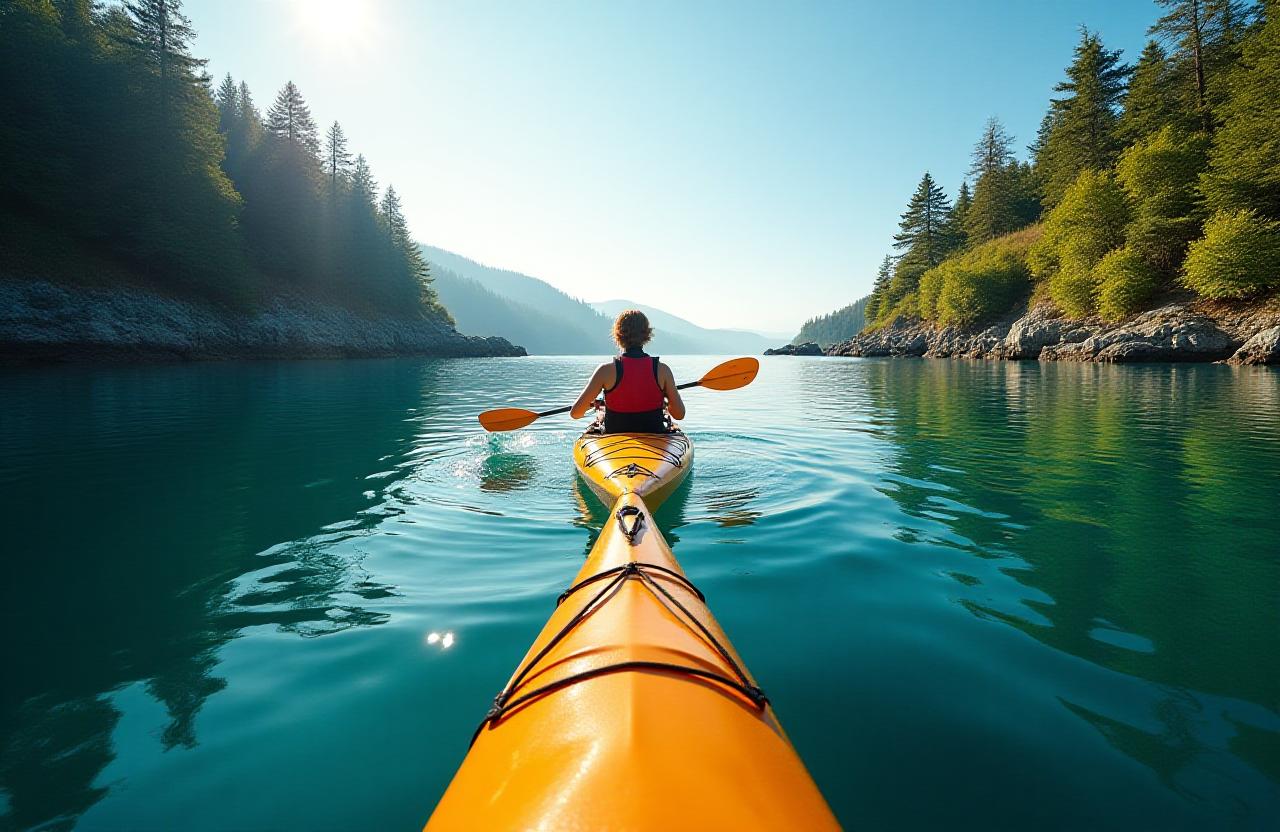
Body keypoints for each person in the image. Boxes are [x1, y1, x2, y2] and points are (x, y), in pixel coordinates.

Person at [570, 310, 686, 433]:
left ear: (618, 334)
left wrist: (592, 404)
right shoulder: (663, 370)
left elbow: (575, 413)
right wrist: (664, 400)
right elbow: (679, 414)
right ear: (647, 334)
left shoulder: (605, 371)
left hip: (614, 440)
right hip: (655, 438)